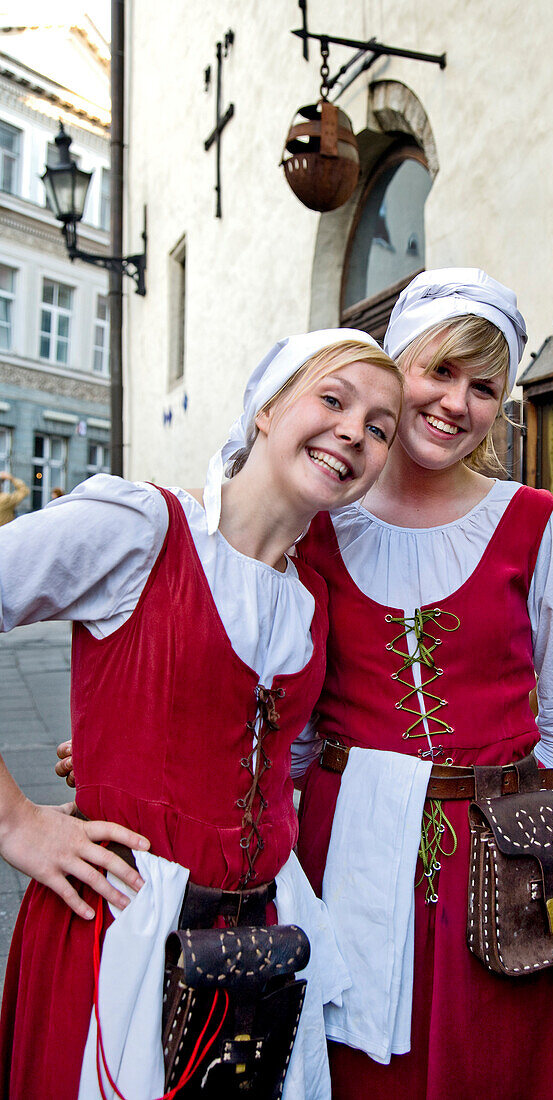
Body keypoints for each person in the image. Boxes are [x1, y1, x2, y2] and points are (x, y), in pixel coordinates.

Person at [0, 330, 403, 1100]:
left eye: (380, 427)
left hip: (261, 946)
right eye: (332, 398)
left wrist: (133, 742)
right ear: (265, 409)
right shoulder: (141, 526)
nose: (355, 431)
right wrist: (15, 821)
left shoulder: (311, 599)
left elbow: (260, 752)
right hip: (118, 928)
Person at [293, 270, 553, 1100]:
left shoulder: (535, 522)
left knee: (494, 1064)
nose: (455, 403)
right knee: (362, 1069)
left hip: (498, 856)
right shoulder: (322, 523)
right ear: (395, 368)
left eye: (483, 387)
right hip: (346, 843)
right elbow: (283, 709)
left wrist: (514, 827)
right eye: (438, 372)